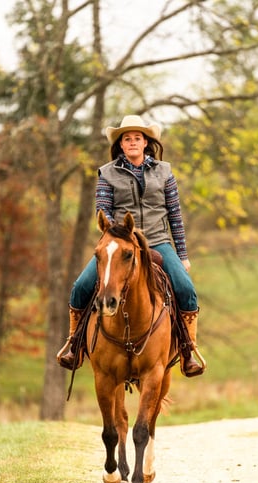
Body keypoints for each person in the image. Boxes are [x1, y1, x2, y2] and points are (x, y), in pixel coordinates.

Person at [57, 114, 206, 376]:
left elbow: (175, 215)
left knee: (186, 289)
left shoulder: (164, 172)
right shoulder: (107, 173)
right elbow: (102, 211)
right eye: (128, 138)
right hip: (120, 242)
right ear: (121, 144)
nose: (133, 142)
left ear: (146, 142)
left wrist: (182, 254)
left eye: (138, 138)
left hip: (158, 241)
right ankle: (75, 345)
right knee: (81, 286)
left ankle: (187, 351)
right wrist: (121, 234)